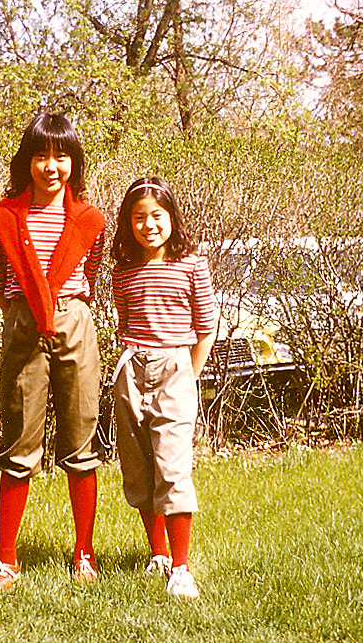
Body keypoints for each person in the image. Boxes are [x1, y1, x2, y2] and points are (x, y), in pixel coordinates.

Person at [0, 112, 106, 590]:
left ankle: (84, 553)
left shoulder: (90, 219)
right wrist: (28, 312)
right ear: (26, 161)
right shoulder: (4, 217)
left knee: (81, 439)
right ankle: (6, 559)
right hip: (23, 325)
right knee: (18, 442)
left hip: (75, 322)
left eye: (61, 155)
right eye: (40, 155)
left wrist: (62, 307)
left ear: (74, 162)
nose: (50, 166)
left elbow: (90, 276)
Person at [110, 176, 218, 598]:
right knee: (140, 469)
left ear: (172, 217)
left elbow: (206, 327)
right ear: (128, 223)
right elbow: (124, 321)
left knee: (172, 468)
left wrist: (189, 374)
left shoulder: (191, 264)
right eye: (138, 217)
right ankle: (158, 553)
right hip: (131, 368)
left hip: (175, 368)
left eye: (157, 215)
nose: (148, 225)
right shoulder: (124, 271)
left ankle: (181, 567)